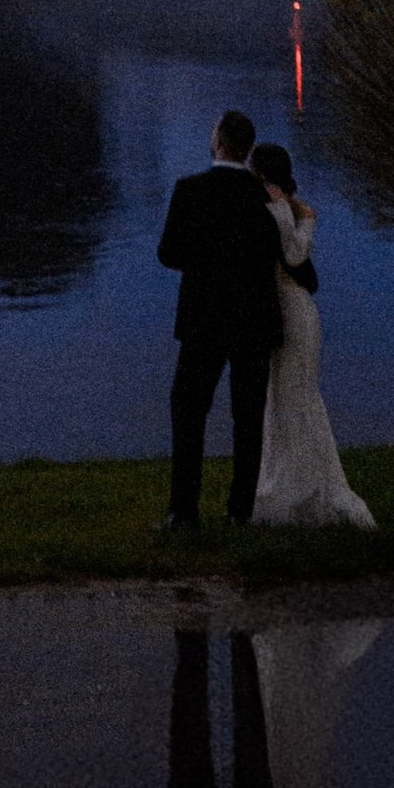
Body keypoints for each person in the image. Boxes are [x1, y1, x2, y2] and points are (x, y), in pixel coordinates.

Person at [154, 107, 282, 531]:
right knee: (248, 417)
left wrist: (206, 261)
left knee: (188, 410)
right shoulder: (263, 196)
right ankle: (239, 512)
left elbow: (169, 253)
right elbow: (272, 253)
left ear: (220, 143)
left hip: (204, 319)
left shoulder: (190, 190)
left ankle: (183, 511)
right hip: (253, 319)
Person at [249, 141, 376, 530]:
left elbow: (294, 255)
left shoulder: (281, 209)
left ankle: (304, 497)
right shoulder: (275, 207)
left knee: (297, 401)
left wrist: (303, 222)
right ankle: (286, 494)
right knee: (285, 404)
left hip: (296, 317)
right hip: (286, 312)